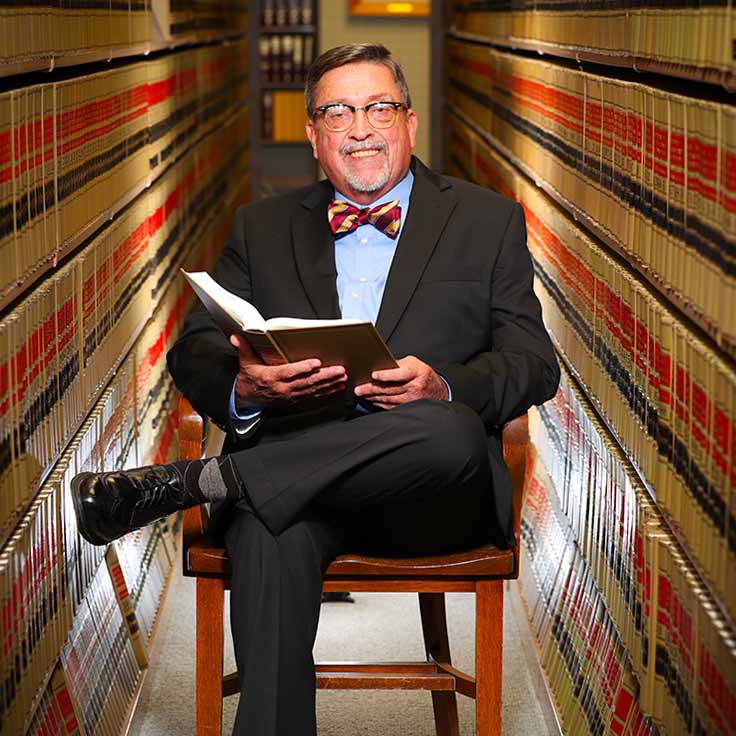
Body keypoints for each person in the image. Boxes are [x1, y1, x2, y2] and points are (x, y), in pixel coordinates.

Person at [71, 43, 560, 735]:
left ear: (409, 122)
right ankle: (237, 488)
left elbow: (534, 362)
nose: (361, 127)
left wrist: (443, 382)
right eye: (338, 111)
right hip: (296, 487)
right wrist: (248, 385)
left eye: (379, 107)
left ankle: (208, 479)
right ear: (313, 135)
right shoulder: (261, 226)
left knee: (447, 426)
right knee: (270, 529)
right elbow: (194, 350)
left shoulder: (488, 222)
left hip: (431, 492)